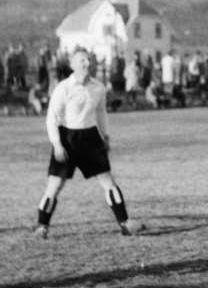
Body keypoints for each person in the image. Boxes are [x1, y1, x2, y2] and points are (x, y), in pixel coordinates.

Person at [36, 45, 137, 238]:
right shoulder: (63, 88)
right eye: (82, 60)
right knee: (55, 186)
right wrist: (57, 144)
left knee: (108, 181)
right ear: (72, 64)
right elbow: (51, 118)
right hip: (68, 138)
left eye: (88, 59)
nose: (87, 63)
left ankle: (125, 223)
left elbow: (101, 113)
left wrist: (106, 136)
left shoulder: (98, 87)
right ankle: (42, 227)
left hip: (91, 138)